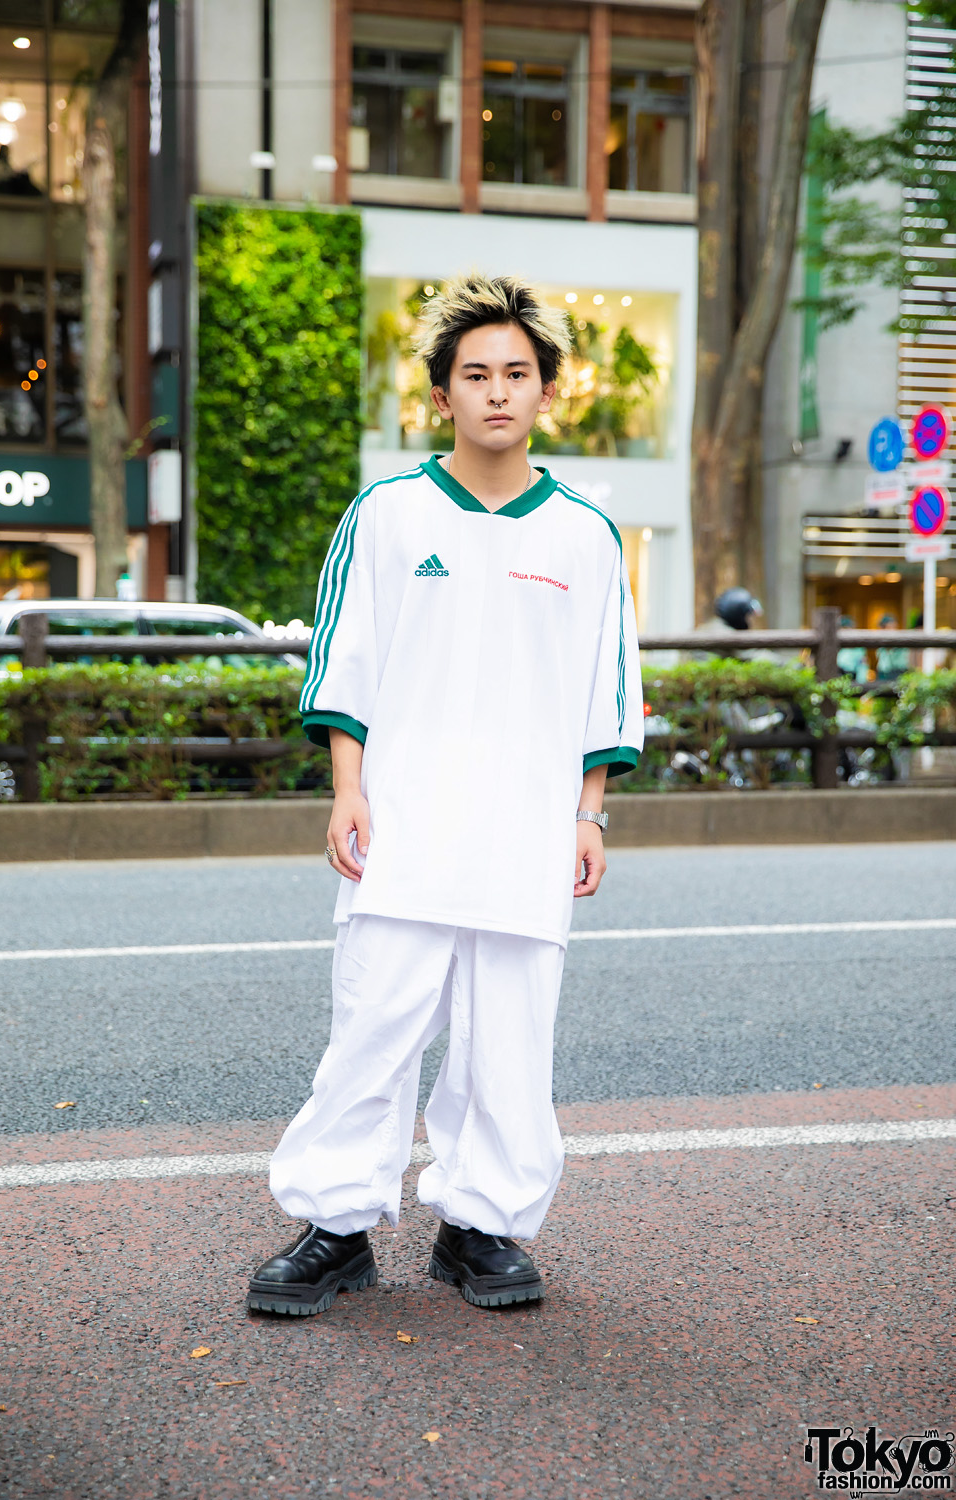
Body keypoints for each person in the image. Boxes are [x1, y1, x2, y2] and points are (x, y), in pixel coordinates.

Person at [247, 273, 643, 1318]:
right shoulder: (386, 514)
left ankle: (480, 1227)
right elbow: (346, 662)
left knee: (508, 1038)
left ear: (547, 393)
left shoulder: (585, 536)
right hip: (407, 820)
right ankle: (336, 1224)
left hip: (526, 829)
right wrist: (347, 794)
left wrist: (587, 813)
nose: (498, 392)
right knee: (374, 1024)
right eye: (476, 374)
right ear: (442, 394)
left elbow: (604, 688)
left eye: (518, 373)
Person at [874, 614, 910, 681]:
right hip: (883, 674)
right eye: (889, 627)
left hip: (898, 673)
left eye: (894, 627)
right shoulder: (880, 644)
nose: (893, 630)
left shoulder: (901, 641)